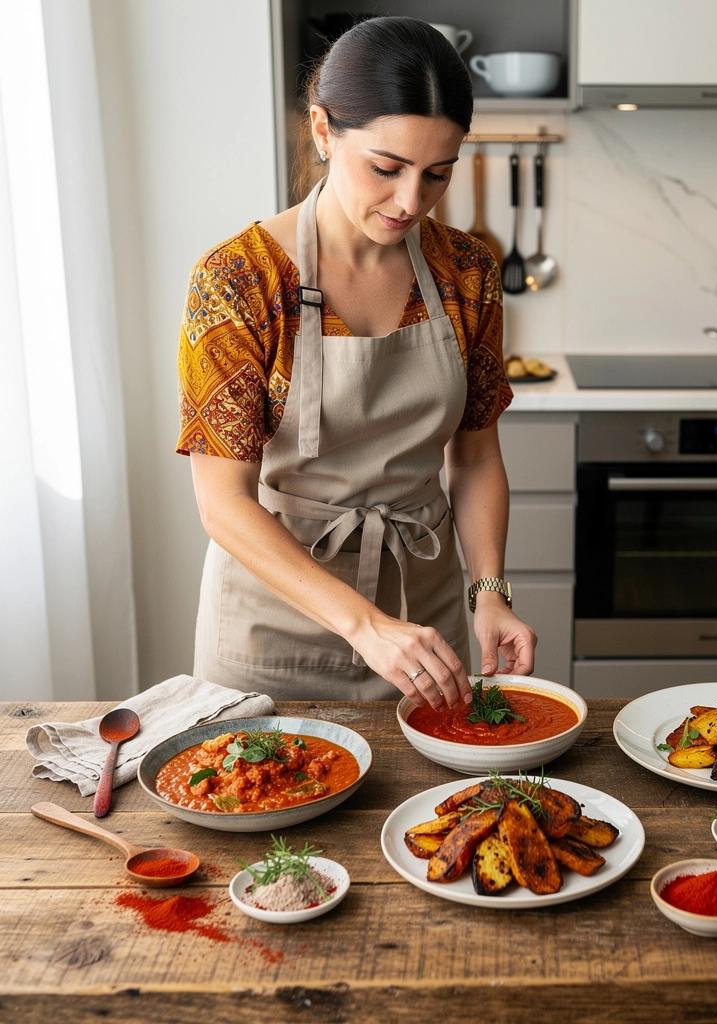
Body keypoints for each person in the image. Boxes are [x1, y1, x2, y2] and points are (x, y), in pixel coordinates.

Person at [176, 16, 536, 709]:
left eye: (437, 175)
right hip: (272, 629)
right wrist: (365, 625)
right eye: (386, 168)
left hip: (423, 624)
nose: (410, 202)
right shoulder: (241, 280)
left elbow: (476, 456)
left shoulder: (466, 271)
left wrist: (489, 592)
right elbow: (224, 503)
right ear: (322, 130)